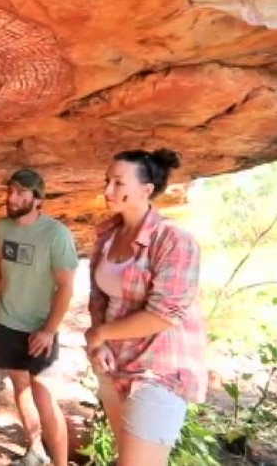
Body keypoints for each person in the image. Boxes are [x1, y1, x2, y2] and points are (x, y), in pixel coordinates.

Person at [84, 148, 208, 466]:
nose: (107, 191)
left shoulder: (173, 240)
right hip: (114, 365)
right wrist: (100, 345)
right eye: (107, 181)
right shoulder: (107, 236)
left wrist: (100, 334)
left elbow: (164, 314)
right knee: (124, 454)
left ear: (146, 189)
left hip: (158, 371)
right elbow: (99, 298)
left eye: (118, 183)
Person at [0, 168, 79, 466]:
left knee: (43, 393)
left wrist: (49, 330)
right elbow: (2, 268)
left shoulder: (56, 234)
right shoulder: (1, 227)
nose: (13, 198)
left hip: (40, 328)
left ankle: (61, 463)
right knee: (19, 387)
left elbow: (66, 287)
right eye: (11, 191)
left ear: (37, 199)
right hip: (6, 323)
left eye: (21, 193)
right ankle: (35, 450)